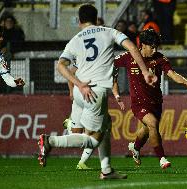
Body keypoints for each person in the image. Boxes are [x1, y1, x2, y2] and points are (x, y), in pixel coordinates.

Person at [37, 3, 157, 180]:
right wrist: (145, 71)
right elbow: (132, 47)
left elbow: (61, 66)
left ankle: (106, 170)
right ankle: (50, 141)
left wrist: (78, 84)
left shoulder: (75, 39)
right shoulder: (108, 31)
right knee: (93, 139)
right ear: (96, 17)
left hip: (81, 91)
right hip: (95, 92)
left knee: (106, 125)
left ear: (79, 21)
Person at [114, 29, 187, 169]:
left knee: (147, 128)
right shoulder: (128, 57)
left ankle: (135, 147)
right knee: (152, 123)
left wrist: (186, 82)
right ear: (143, 45)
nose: (155, 50)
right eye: (152, 47)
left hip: (156, 102)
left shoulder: (159, 58)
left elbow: (172, 74)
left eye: (156, 47)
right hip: (138, 103)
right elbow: (110, 64)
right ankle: (162, 158)